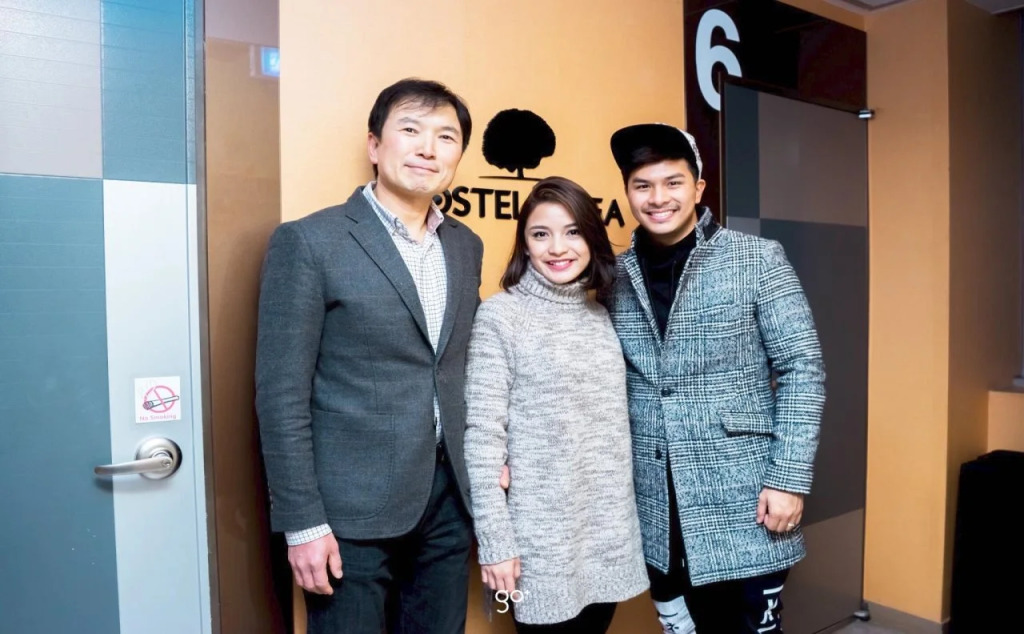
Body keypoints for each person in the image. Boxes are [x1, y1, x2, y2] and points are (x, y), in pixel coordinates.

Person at [254, 78, 484, 634]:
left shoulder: (465, 244)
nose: (428, 149)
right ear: (375, 145)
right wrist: (303, 523)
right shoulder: (310, 241)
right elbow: (281, 395)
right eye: (410, 130)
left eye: (446, 137)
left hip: (449, 502)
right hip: (347, 513)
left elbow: (459, 368)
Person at [606, 123, 826, 633]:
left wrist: (788, 479)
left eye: (673, 182)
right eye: (642, 185)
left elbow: (802, 368)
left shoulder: (756, 258)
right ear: (628, 192)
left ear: (698, 188)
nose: (658, 198)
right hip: (656, 506)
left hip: (746, 498)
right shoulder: (613, 276)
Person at [464, 176, 649, 633]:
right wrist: (496, 542)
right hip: (540, 542)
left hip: (607, 532)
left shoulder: (600, 313)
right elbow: (483, 437)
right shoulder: (500, 316)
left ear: (592, 238)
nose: (557, 248)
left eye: (572, 232)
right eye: (540, 234)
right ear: (525, 245)